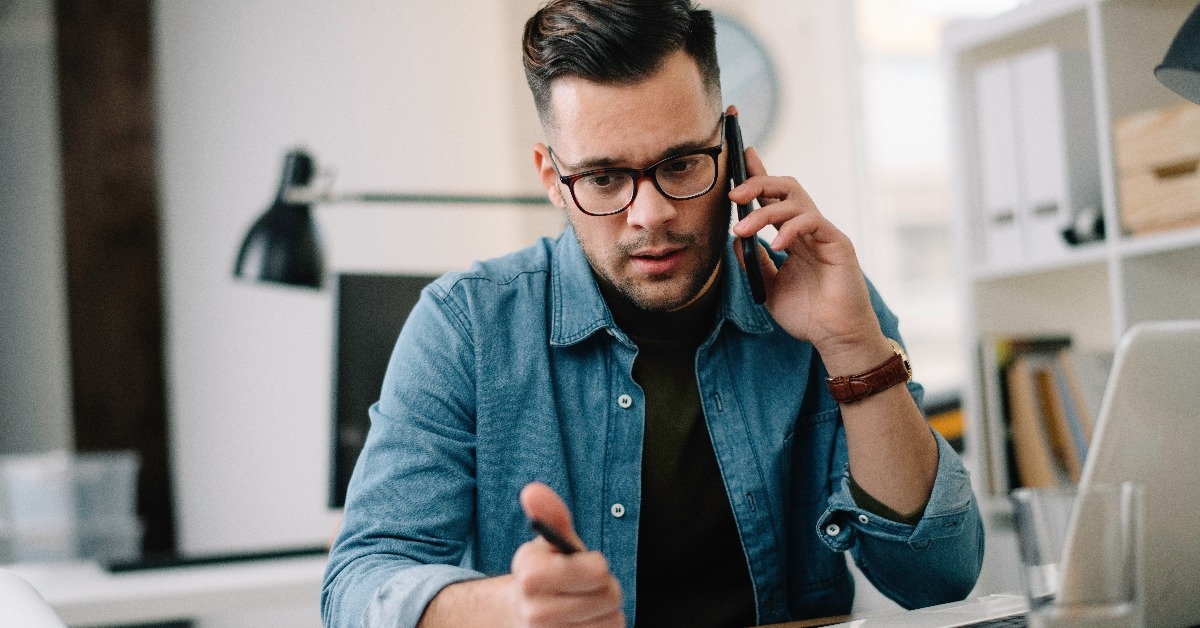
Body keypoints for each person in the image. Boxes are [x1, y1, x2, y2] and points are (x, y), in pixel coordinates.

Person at [322, 1, 984, 626]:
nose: (651, 214)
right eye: (604, 178)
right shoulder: (464, 327)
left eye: (681, 163)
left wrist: (853, 347)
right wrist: (502, 609)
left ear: (731, 145)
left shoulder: (830, 299)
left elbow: (940, 577)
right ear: (552, 179)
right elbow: (356, 584)